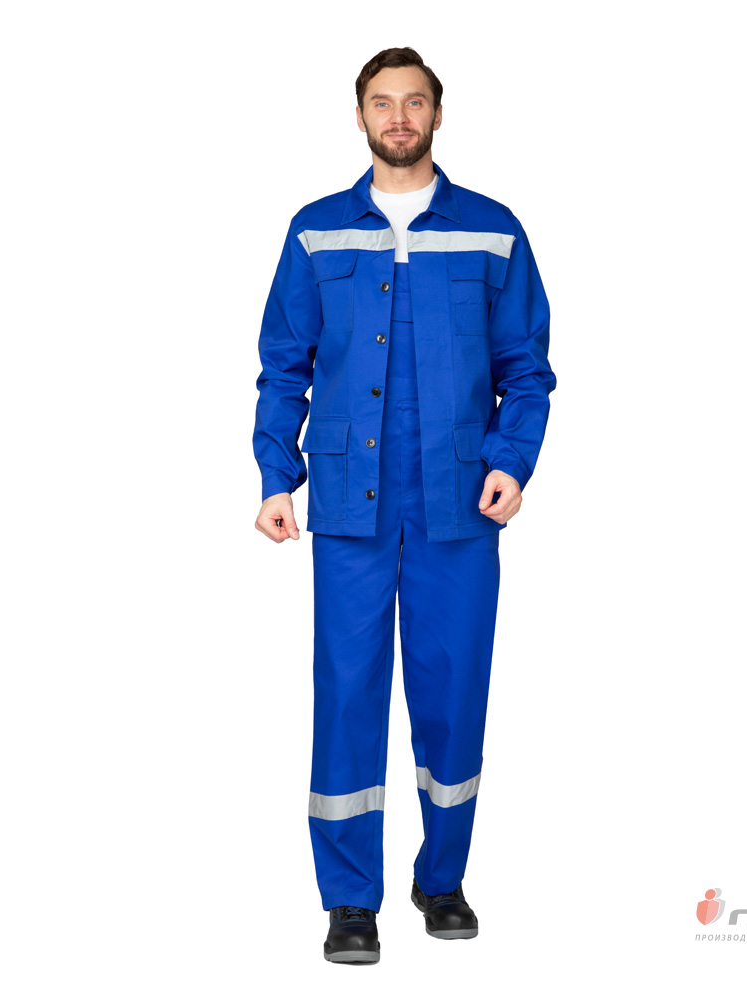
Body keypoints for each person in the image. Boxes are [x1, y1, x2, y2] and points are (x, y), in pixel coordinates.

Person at [252, 46, 556, 965]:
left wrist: (513, 462)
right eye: (381, 103)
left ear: (437, 114)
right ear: (359, 117)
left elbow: (526, 369)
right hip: (349, 503)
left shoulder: (493, 231)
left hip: (460, 502)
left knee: (453, 692)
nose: (398, 117)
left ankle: (442, 879)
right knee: (347, 693)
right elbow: (284, 365)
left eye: (413, 102)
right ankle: (350, 900)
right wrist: (276, 476)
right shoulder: (315, 230)